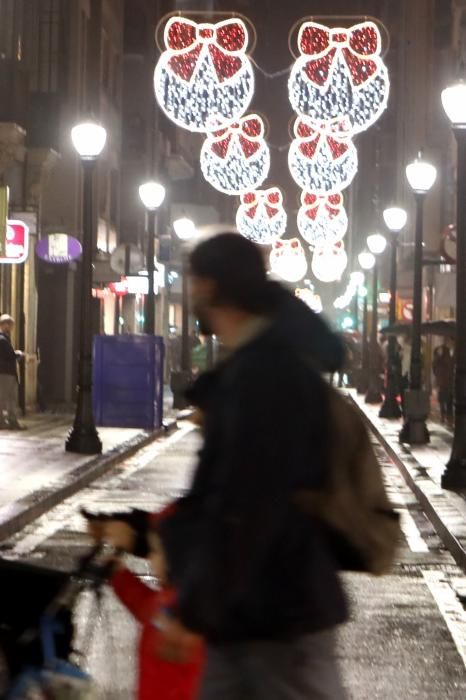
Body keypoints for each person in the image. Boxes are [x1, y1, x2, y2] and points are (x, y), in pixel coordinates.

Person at [155, 233, 348, 699]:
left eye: (196, 281)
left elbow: (246, 503)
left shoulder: (264, 375)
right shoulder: (253, 363)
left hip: (277, 616)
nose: (192, 292)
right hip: (248, 614)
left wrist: (193, 610)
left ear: (213, 287)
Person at [0, 314, 24, 430]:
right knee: (4, 398)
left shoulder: (5, 338)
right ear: (4, 324)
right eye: (10, 325)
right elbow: (9, 355)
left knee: (10, 398)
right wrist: (18, 353)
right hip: (5, 373)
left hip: (8, 372)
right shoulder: (2, 339)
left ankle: (11, 421)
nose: (11, 328)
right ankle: (4, 422)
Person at [433, 342, 454, 425]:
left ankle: (443, 417)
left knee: (442, 400)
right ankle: (449, 418)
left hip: (442, 383)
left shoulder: (438, 360)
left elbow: (434, 369)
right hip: (448, 383)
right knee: (449, 401)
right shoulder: (449, 360)